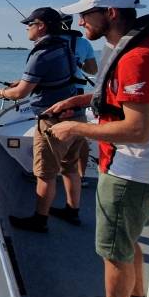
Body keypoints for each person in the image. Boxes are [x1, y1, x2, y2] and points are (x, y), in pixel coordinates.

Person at [46, 0, 149, 297]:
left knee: (113, 251)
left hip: (131, 171)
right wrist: (77, 100)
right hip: (139, 167)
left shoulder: (140, 58)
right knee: (128, 239)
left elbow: (137, 129)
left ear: (110, 12)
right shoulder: (130, 49)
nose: (80, 23)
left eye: (85, 16)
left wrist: (75, 128)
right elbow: (117, 97)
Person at [0, 7, 88, 232]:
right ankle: (72, 211)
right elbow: (55, 77)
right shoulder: (64, 46)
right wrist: (23, 81)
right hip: (76, 116)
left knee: (45, 174)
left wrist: (2, 93)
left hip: (53, 122)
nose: (27, 27)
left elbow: (20, 94)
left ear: (42, 26)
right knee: (70, 168)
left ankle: (39, 220)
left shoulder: (41, 54)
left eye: (30, 24)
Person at [60, 13, 98, 187]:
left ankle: (49, 174)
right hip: (77, 92)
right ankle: (81, 177)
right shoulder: (83, 43)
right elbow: (93, 70)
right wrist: (79, 63)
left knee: (51, 132)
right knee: (79, 137)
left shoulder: (47, 41)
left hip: (54, 93)